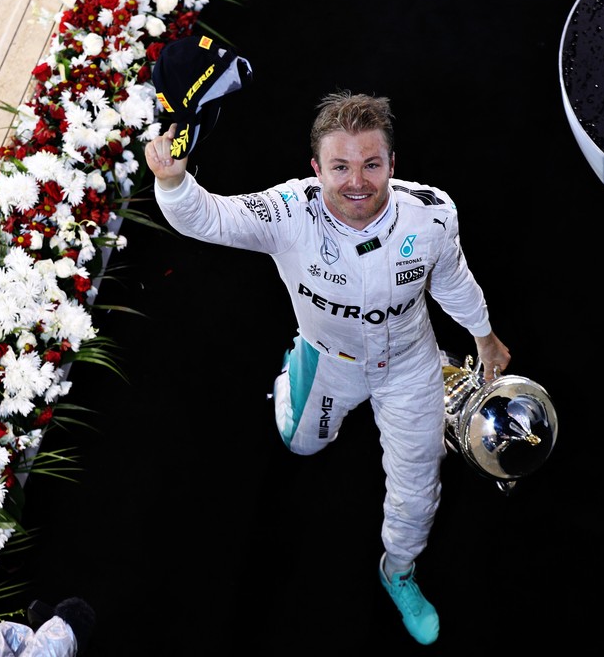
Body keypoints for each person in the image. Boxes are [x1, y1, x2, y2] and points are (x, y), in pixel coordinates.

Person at [143, 90, 511, 645]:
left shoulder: (433, 213)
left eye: (371, 164)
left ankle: (400, 573)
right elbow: (207, 218)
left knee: (417, 492)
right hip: (330, 362)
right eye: (340, 166)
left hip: (410, 366)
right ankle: (294, 371)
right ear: (316, 169)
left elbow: (452, 280)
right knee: (300, 444)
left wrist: (484, 337)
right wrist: (172, 180)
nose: (356, 182)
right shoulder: (290, 211)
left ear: (393, 164)